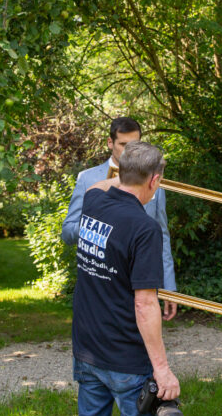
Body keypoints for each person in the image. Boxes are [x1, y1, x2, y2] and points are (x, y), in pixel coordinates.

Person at [72, 141, 181, 416]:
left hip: (87, 349)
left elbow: (97, 185)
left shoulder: (94, 202)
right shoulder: (144, 229)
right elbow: (146, 305)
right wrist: (162, 370)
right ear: (155, 181)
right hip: (124, 358)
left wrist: (119, 173)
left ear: (119, 172)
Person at [62, 116, 177, 318]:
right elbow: (67, 232)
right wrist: (97, 229)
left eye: (135, 145)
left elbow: (162, 235)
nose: (129, 152)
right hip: (98, 288)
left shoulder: (154, 183)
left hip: (138, 285)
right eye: (123, 145)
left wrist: (168, 286)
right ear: (110, 143)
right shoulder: (87, 178)